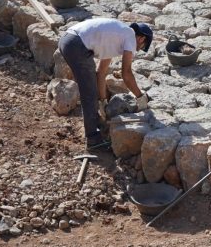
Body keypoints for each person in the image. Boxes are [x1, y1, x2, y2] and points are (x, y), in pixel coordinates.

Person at [58, 18, 153, 151]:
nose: (138, 49)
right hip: (77, 45)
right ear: (142, 39)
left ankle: (96, 123)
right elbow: (126, 74)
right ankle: (93, 140)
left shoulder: (116, 36)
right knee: (89, 93)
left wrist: (103, 101)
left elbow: (101, 72)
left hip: (68, 40)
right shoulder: (130, 37)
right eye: (142, 47)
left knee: (90, 88)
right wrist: (140, 97)